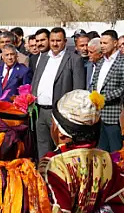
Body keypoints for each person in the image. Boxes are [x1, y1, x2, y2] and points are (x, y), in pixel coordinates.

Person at [31, 28, 86, 161]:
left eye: (58, 41)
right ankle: (44, 176)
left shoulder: (74, 59)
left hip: (59, 113)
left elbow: (78, 89)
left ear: (65, 41)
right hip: (40, 111)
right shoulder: (43, 57)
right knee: (43, 147)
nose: (55, 44)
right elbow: (36, 80)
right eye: (53, 40)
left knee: (62, 148)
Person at [88, 30, 124, 152]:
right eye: (101, 42)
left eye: (105, 43)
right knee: (101, 153)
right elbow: (95, 84)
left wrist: (104, 98)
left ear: (115, 43)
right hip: (98, 115)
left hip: (114, 115)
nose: (102, 45)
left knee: (115, 152)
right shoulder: (101, 62)